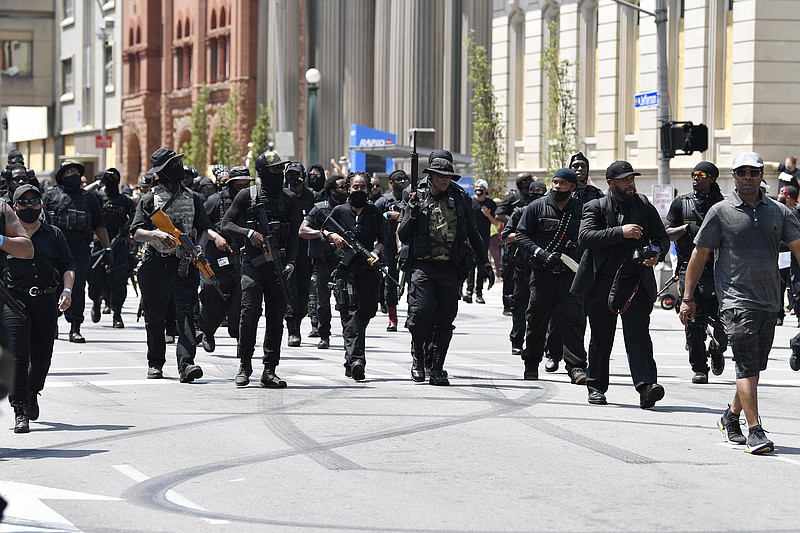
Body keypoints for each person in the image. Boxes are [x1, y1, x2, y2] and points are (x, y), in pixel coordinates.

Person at [681, 152, 800, 454]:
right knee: (746, 366)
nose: (747, 177)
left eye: (753, 172)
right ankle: (755, 431)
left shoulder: (779, 212)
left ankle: (730, 417)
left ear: (762, 175)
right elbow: (699, 255)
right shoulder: (720, 212)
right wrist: (687, 297)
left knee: (754, 368)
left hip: (770, 301)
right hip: (735, 300)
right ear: (732, 176)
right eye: (741, 172)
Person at [571, 160, 669, 408]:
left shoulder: (644, 205)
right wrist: (620, 231)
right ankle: (596, 386)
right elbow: (585, 237)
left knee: (639, 336)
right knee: (601, 338)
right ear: (611, 183)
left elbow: (661, 237)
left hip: (635, 283)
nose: (630, 183)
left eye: (632, 179)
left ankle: (647, 386)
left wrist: (656, 252)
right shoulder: (596, 207)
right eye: (625, 180)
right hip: (602, 283)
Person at [131, 148, 225, 382]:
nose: (178, 170)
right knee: (155, 316)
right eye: (172, 166)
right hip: (155, 263)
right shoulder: (149, 198)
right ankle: (155, 363)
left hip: (185, 264)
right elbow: (135, 231)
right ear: (162, 173)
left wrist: (198, 247)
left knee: (186, 313)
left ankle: (186, 364)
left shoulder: (194, 198)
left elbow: (204, 228)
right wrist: (154, 235)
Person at [397, 156, 493, 385]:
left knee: (445, 318)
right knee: (421, 313)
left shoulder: (460, 197)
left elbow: (472, 232)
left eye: (448, 177)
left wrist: (485, 263)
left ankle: (437, 366)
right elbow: (402, 234)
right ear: (430, 176)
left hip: (450, 266)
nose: (444, 181)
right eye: (440, 176)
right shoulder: (414, 196)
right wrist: (412, 212)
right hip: (422, 265)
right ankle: (418, 359)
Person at [221, 151, 301, 388]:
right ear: (263, 172)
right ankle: (245, 365)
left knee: (275, 318)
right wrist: (248, 233)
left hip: (279, 267)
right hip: (253, 266)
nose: (280, 173)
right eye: (275, 169)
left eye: (281, 169)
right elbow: (226, 223)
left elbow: (295, 237)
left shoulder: (289, 199)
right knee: (249, 314)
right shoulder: (247, 196)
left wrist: (292, 263)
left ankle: (270, 369)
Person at [301, 172, 385, 380]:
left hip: (368, 270)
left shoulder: (374, 212)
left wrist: (375, 252)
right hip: (345, 271)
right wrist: (330, 235)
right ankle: (357, 360)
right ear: (348, 189)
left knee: (366, 313)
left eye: (362, 187)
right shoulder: (338, 211)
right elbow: (307, 230)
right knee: (350, 316)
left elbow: (384, 239)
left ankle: (351, 360)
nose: (359, 190)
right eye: (355, 187)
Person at [4, 184, 72, 433]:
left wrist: (67, 291)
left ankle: (33, 390)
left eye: (34, 201)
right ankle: (20, 410)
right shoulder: (5, 236)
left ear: (42, 205)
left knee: (42, 357)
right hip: (13, 301)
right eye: (23, 202)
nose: (29, 206)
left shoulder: (53, 234)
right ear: (13, 207)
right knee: (18, 357)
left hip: (45, 300)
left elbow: (68, 266)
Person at [515, 168, 587, 383]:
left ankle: (576, 367)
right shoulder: (537, 207)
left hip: (569, 276)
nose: (557, 187)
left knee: (573, 321)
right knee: (536, 320)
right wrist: (540, 253)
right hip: (542, 274)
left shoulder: (581, 210)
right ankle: (531, 364)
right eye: (555, 182)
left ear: (572, 188)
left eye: (563, 184)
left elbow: (590, 236)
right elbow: (521, 234)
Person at [665, 162, 727, 384]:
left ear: (711, 178)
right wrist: (683, 229)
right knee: (692, 318)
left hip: (717, 269)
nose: (695, 178)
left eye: (700, 175)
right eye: (693, 174)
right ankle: (699, 366)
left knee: (724, 321)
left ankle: (717, 348)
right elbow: (665, 233)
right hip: (687, 269)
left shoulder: (722, 205)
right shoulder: (682, 204)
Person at [43, 160, 111, 343]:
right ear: (61, 175)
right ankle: (53, 324)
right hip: (53, 249)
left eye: (76, 171)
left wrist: (107, 247)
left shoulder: (89, 198)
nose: (73, 174)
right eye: (69, 171)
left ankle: (75, 327)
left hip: (79, 249)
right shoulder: (50, 196)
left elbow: (99, 225)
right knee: (53, 285)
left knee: (77, 286)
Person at [197, 166, 252, 352]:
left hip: (243, 255)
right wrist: (216, 237)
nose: (243, 188)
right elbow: (202, 225)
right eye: (239, 185)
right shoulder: (214, 201)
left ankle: (240, 339)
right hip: (216, 255)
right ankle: (207, 330)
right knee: (214, 293)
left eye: (246, 185)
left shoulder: (253, 201)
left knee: (243, 298)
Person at [300, 175, 347, 350]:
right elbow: (303, 230)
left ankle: (349, 334)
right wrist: (322, 234)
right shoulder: (320, 209)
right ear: (332, 190)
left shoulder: (349, 208)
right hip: (324, 260)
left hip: (345, 259)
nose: (345, 190)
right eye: (342, 187)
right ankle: (324, 334)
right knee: (323, 300)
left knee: (347, 298)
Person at [501, 181, 546, 356]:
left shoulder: (550, 213)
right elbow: (506, 237)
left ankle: (539, 343)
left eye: (543, 193)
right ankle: (517, 340)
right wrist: (524, 236)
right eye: (536, 193)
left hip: (542, 267)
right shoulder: (520, 212)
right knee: (520, 306)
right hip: (521, 266)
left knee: (540, 308)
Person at [87, 168, 135, 329]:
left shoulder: (124, 200)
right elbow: (81, 194)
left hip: (119, 244)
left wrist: (127, 229)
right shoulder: (96, 198)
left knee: (119, 280)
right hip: (99, 243)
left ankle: (117, 313)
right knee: (95, 278)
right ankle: (96, 301)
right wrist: (98, 183)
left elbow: (135, 217)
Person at [284, 161, 315, 347]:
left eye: (297, 175)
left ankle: (299, 320)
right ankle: (291, 329)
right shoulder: (283, 196)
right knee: (289, 289)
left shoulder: (311, 196)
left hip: (306, 249)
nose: (293, 179)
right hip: (287, 248)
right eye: (290, 175)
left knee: (303, 291)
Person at [496, 172, 536, 315]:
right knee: (509, 274)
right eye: (530, 180)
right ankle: (507, 305)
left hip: (529, 244)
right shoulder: (512, 197)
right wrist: (516, 223)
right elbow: (499, 214)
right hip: (513, 243)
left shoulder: (532, 196)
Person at [374, 169, 409, 331]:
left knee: (413, 281)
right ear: (391, 182)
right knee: (390, 282)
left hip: (409, 245)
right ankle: (392, 319)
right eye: (399, 179)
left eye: (405, 179)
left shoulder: (411, 199)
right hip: (388, 247)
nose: (403, 182)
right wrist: (387, 215)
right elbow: (372, 216)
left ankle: (412, 315)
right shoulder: (384, 200)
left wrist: (402, 214)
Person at [463, 179, 498, 304]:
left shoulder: (491, 204)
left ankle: (479, 293)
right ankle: (469, 291)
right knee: (470, 265)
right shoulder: (470, 202)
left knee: (481, 266)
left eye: (481, 187)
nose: (478, 189)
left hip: (484, 239)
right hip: (470, 239)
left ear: (486, 190)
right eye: (477, 187)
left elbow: (497, 223)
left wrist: (488, 214)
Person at [776, 184, 799, 326]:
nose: (778, 195)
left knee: (795, 288)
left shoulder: (796, 213)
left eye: (781, 192)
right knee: (779, 287)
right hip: (779, 256)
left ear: (788, 195)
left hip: (793, 254)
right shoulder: (777, 211)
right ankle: (779, 316)